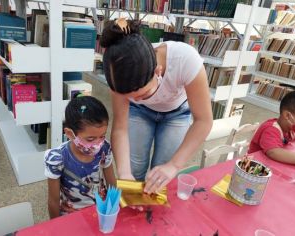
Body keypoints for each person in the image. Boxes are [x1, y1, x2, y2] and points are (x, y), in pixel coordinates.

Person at [100, 19, 213, 194]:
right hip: (140, 114)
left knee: (162, 173)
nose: (135, 99)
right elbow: (120, 128)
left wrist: (174, 165)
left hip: (177, 113)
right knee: (134, 169)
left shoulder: (186, 59)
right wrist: (124, 172)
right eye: (129, 98)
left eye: (142, 95)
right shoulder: (118, 74)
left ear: (158, 71)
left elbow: (204, 121)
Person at [45, 96, 116, 219]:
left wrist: (113, 209)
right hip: (71, 215)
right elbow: (53, 201)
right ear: (69, 134)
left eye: (102, 136)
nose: (98, 143)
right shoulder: (57, 158)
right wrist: (55, 228)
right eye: (90, 139)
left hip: (101, 209)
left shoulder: (104, 148)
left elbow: (112, 183)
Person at [248, 90, 295, 165]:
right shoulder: (271, 129)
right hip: (253, 167)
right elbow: (273, 152)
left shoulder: (291, 129)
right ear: (287, 115)